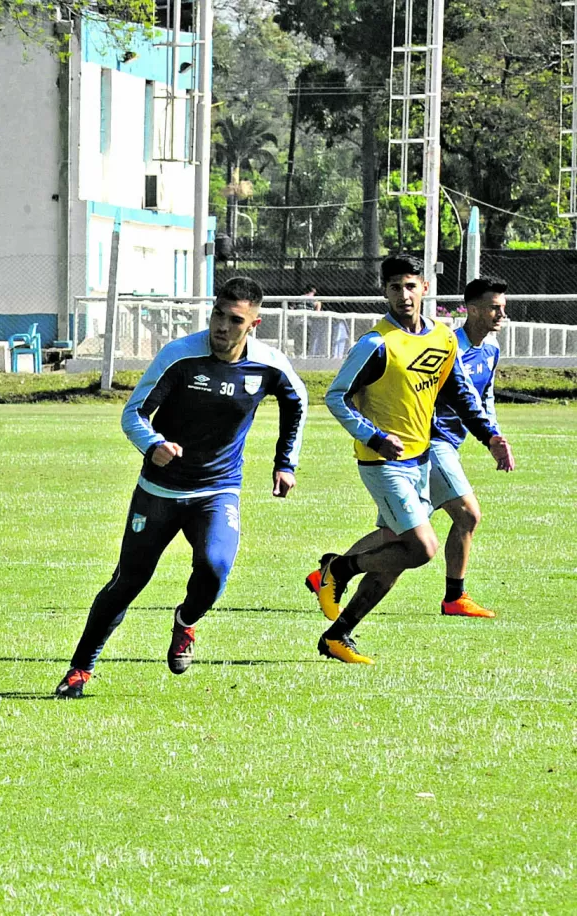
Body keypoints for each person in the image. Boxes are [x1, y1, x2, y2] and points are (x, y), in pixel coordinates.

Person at [55, 277, 306, 699]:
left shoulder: (269, 366)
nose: (222, 326)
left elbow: (296, 403)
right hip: (160, 491)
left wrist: (285, 462)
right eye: (217, 315)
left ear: (254, 324)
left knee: (214, 567)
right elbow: (133, 415)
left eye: (234, 319)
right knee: (127, 582)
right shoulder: (178, 358)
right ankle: (80, 669)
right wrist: (153, 444)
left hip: (218, 489)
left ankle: (185, 622)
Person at [309, 255, 513, 665]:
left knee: (396, 553)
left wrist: (489, 435)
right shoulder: (376, 343)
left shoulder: (442, 337)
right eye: (394, 288)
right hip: (381, 462)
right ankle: (340, 569)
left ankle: (338, 635)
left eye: (410, 286)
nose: (403, 295)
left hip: (420, 461)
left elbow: (458, 392)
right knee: (421, 548)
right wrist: (373, 435)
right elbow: (336, 396)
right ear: (384, 292)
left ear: (424, 288)